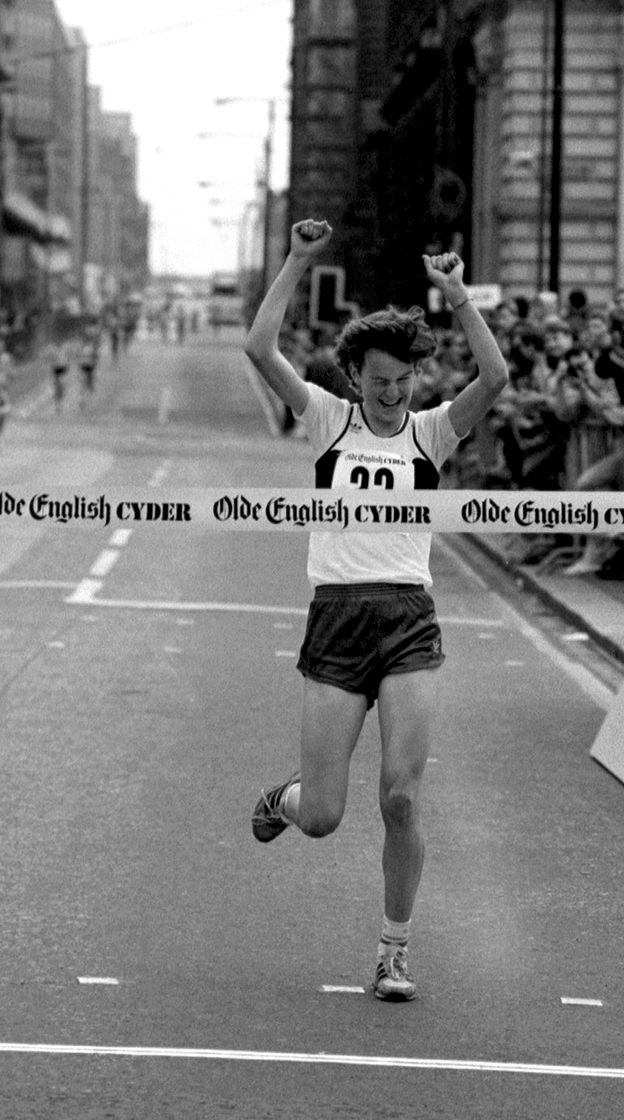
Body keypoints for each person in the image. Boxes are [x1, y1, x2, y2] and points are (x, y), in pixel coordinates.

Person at [243, 219, 509, 1001]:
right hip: (336, 617)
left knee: (399, 794)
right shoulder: (329, 420)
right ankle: (282, 798)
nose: (394, 393)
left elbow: (492, 380)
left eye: (404, 381)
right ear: (354, 376)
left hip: (407, 622)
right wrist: (296, 260)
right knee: (323, 815)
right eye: (380, 380)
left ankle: (393, 951)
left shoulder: (428, 434)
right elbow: (260, 351)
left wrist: (457, 297)